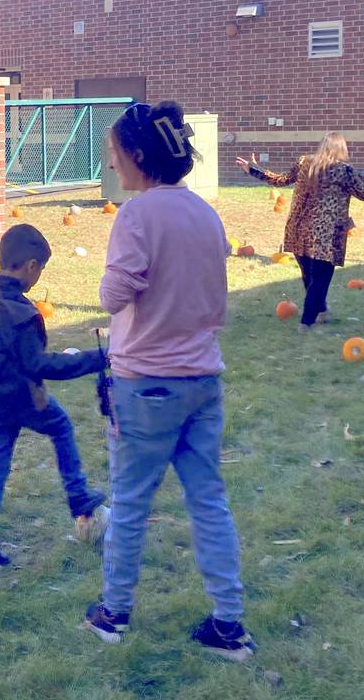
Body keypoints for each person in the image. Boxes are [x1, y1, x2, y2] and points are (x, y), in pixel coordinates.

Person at [83, 101, 252, 658]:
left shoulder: (135, 215)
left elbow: (113, 295)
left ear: (137, 157)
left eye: (114, 156)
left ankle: (113, 612)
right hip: (203, 378)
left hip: (146, 384)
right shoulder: (205, 212)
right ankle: (229, 623)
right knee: (209, 501)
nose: (113, 166)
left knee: (130, 503)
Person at [0, 223, 108, 570]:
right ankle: (78, 496)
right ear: (31, 266)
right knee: (61, 426)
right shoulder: (21, 315)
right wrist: (96, 358)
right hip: (22, 400)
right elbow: (40, 364)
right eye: (40, 269)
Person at [238, 133, 364, 328]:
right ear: (341, 149)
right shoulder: (344, 170)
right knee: (320, 280)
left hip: (298, 228)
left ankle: (322, 311)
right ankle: (306, 323)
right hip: (325, 233)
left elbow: (280, 180)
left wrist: (253, 170)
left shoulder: (304, 162)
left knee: (309, 277)